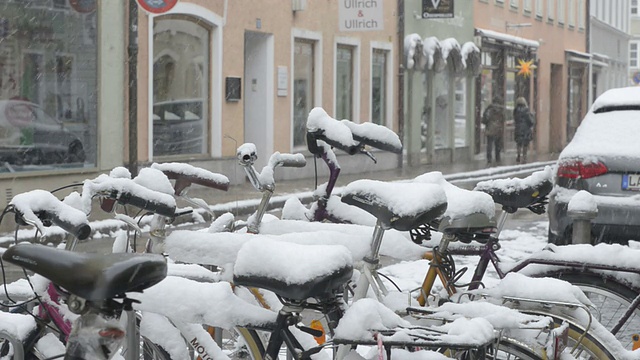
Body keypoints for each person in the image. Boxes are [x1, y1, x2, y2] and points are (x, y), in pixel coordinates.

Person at [481, 95, 505, 164]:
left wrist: (488, 123)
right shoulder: (501, 109)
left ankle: (489, 159)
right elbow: (504, 118)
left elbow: (485, 119)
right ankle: (498, 158)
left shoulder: (489, 109)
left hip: (490, 128)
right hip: (498, 129)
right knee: (497, 144)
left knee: (489, 144)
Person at [513, 97, 535, 163]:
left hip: (518, 129)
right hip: (525, 129)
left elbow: (515, 119)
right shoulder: (526, 110)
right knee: (525, 144)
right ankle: (524, 158)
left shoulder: (515, 111)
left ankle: (518, 155)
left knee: (519, 143)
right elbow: (530, 121)